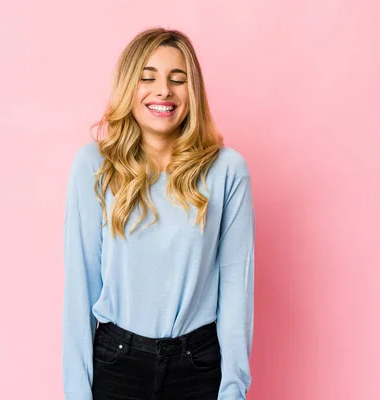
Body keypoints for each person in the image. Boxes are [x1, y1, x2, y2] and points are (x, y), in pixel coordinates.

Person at [62, 27, 255, 400]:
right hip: (117, 366)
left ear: (192, 92)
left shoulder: (227, 170)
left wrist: (233, 390)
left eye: (177, 79)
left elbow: (236, 292)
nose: (163, 90)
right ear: (128, 87)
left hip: (198, 367)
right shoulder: (94, 166)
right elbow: (79, 289)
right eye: (147, 77)